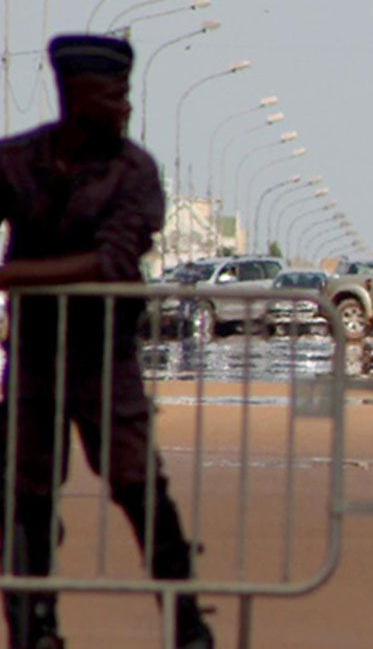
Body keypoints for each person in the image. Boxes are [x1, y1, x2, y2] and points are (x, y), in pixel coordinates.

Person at [0, 35, 212, 648]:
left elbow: (113, 261)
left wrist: (12, 276)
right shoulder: (18, 161)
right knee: (26, 492)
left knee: (138, 484)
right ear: (76, 94)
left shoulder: (133, 171)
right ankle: (34, 626)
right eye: (113, 94)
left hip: (104, 356)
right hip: (34, 358)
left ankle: (186, 623)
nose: (126, 106)